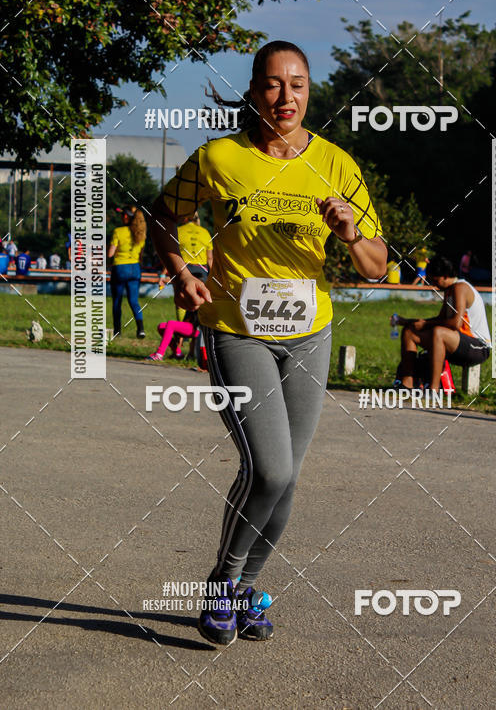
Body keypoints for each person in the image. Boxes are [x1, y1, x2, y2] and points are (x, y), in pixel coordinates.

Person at [150, 40, 387, 646]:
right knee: (271, 469)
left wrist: (350, 231)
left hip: (310, 335)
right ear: (254, 90)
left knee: (288, 476)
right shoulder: (220, 158)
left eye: (299, 84)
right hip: (237, 331)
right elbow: (162, 218)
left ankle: (247, 589)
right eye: (275, 84)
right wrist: (182, 273)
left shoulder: (336, 163)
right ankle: (223, 585)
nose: (287, 97)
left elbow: (375, 267)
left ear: (311, 91)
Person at [394, 256, 491, 392]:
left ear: (445, 276)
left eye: (436, 280)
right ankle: (407, 383)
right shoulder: (449, 290)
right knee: (410, 332)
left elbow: (455, 323)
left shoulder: (460, 288)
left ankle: (433, 389)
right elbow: (440, 319)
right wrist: (411, 322)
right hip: (456, 341)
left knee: (438, 332)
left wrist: (425, 324)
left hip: (478, 347)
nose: (435, 285)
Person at [159, 212, 213, 366]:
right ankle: (192, 352)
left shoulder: (179, 230)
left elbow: (172, 254)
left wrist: (164, 273)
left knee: (183, 310)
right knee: (199, 314)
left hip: (185, 272)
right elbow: (210, 259)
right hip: (202, 272)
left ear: (186, 218)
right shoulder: (205, 233)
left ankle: (178, 348)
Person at [108, 206, 147, 338]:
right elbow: (141, 256)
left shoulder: (118, 231)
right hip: (135, 268)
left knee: (117, 301)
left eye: (123, 214)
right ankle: (141, 329)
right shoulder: (141, 233)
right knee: (134, 301)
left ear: (126, 217)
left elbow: (110, 253)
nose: (121, 217)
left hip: (120, 268)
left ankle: (117, 331)